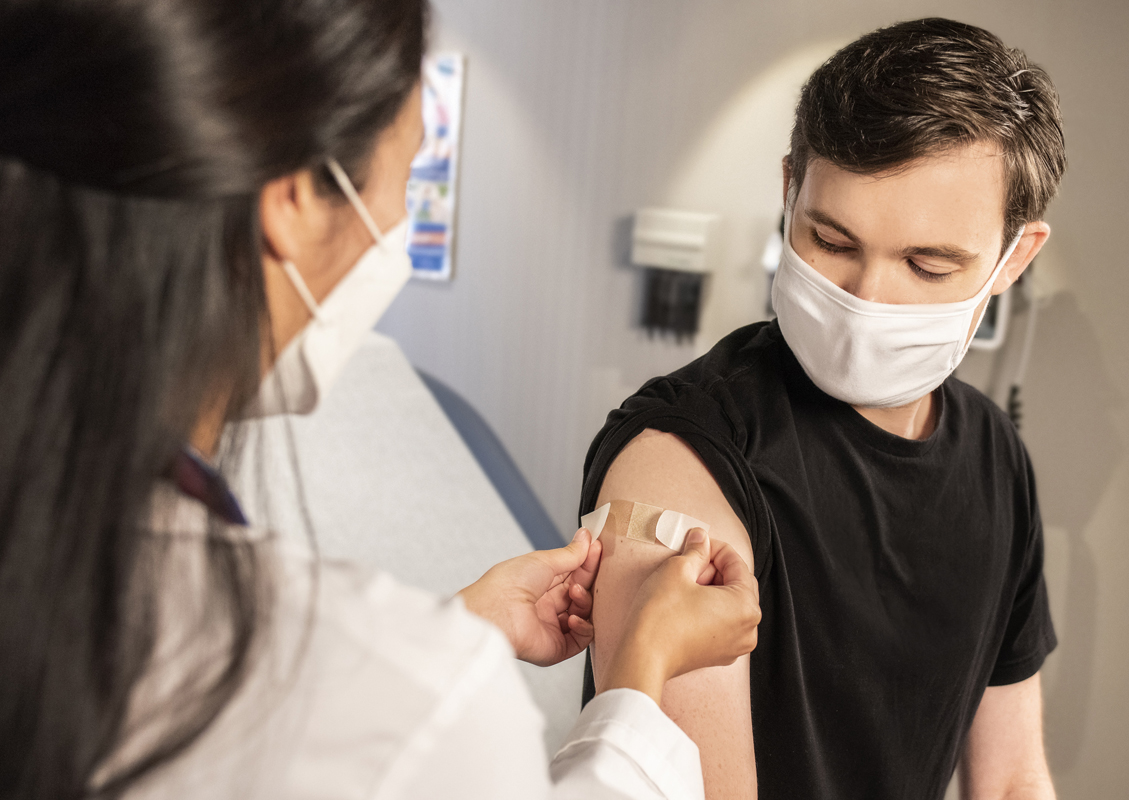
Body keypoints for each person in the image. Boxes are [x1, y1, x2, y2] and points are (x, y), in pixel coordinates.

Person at [0, 1, 761, 798]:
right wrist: (638, 681)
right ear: (293, 198)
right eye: (414, 172)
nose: (402, 218)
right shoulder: (416, 698)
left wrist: (457, 626)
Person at [582, 18, 1065, 800]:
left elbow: (1012, 779)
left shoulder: (996, 459)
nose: (865, 299)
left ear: (1015, 256)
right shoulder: (684, 458)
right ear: (789, 192)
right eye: (831, 240)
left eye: (927, 264)